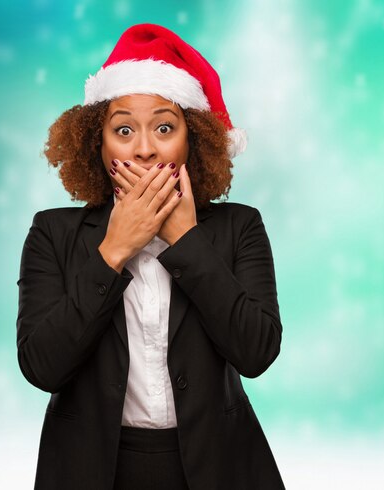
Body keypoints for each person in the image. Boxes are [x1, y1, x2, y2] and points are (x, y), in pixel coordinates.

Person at [16, 23, 285, 490]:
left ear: (192, 140)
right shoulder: (51, 232)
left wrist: (186, 242)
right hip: (91, 471)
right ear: (96, 143)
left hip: (217, 468)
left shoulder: (240, 227)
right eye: (123, 130)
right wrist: (114, 249)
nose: (143, 149)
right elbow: (42, 367)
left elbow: (257, 352)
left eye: (164, 127)